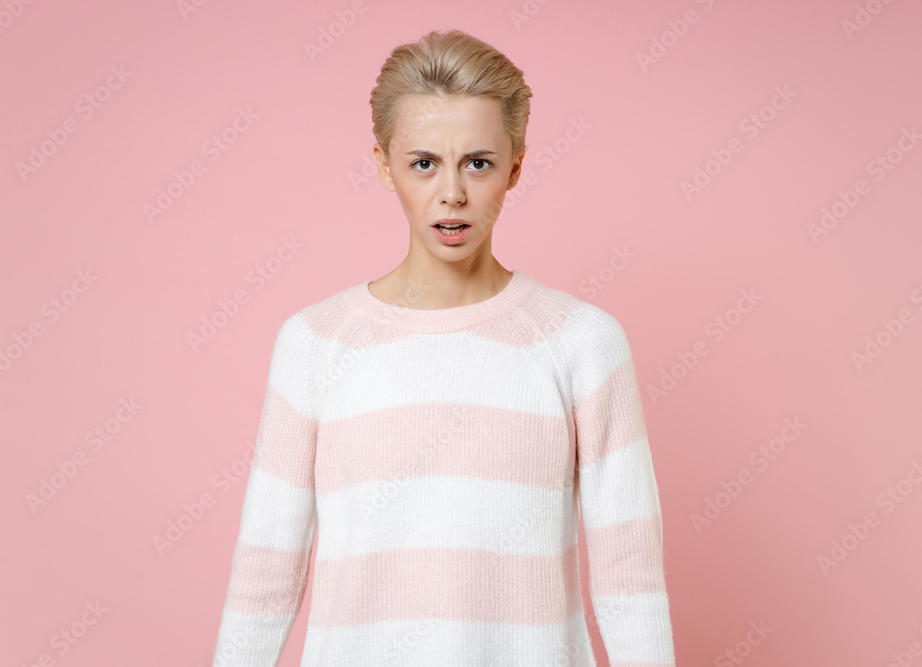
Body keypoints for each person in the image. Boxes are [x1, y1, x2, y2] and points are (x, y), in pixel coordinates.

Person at [212, 28, 676, 667]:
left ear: (515, 165)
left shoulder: (582, 343)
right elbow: (267, 568)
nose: (452, 192)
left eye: (478, 163)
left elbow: (630, 580)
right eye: (423, 162)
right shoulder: (316, 344)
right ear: (383, 164)